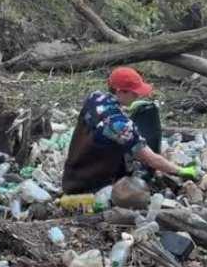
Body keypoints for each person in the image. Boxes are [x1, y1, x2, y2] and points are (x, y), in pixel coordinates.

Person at [62, 66, 197, 194]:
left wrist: (122, 110)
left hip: (73, 172)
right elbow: (151, 159)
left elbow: (104, 118)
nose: (138, 96)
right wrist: (180, 170)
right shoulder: (121, 126)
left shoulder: (95, 97)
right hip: (91, 183)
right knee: (143, 160)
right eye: (134, 93)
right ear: (121, 91)